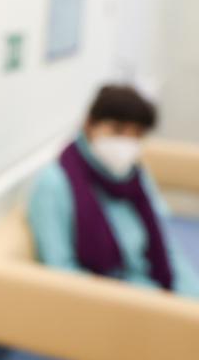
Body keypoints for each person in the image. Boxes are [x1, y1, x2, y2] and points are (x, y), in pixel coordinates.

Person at [28, 84, 199, 298]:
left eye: (136, 134)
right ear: (89, 124)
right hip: (111, 300)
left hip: (155, 282)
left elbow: (164, 242)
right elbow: (60, 269)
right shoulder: (55, 183)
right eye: (117, 130)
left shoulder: (135, 175)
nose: (126, 142)